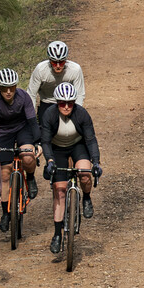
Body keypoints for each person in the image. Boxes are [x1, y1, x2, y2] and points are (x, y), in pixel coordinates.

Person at [40, 88, 100, 256]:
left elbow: (91, 139)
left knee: (85, 173)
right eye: (62, 103)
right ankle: (57, 234)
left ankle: (86, 197)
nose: (66, 107)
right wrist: (50, 160)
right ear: (56, 103)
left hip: (78, 146)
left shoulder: (82, 114)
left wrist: (95, 162)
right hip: (57, 149)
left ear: (74, 103)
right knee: (59, 190)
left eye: (70, 103)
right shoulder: (49, 115)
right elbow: (45, 141)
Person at [0, 67, 40, 223]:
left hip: (23, 129)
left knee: (28, 157)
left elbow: (32, 122)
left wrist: (37, 142)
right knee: (4, 173)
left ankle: (30, 178)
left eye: (12, 88)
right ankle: (5, 213)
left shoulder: (24, 97)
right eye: (4, 88)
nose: (8, 92)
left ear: (16, 86)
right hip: (2, 133)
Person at [27, 40, 86, 111]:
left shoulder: (75, 69)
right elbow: (31, 94)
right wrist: (31, 117)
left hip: (67, 102)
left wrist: (76, 113)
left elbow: (80, 94)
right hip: (47, 102)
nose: (58, 66)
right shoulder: (40, 70)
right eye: (54, 62)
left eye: (61, 62)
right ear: (49, 60)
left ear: (66, 60)